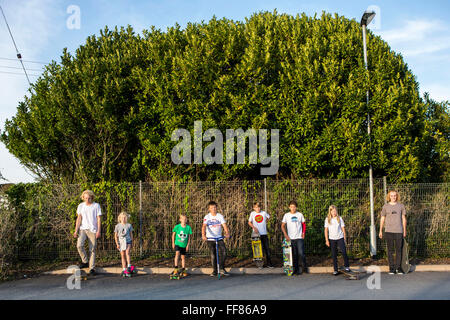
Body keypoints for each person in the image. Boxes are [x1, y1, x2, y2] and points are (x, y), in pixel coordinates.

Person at [73, 190, 102, 275]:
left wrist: (98, 231)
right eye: (85, 198)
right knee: (79, 245)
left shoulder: (96, 205)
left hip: (93, 230)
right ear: (83, 198)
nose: (87, 200)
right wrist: (76, 230)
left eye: (89, 198)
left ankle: (92, 268)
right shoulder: (81, 206)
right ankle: (85, 261)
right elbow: (79, 218)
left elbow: (99, 219)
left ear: (92, 198)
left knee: (92, 249)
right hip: (83, 229)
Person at [379, 190, 407, 274]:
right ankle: (391, 268)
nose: (393, 197)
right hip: (388, 231)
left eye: (395, 195)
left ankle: (399, 268)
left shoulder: (401, 206)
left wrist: (404, 230)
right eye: (391, 196)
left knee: (399, 250)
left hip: (399, 231)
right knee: (390, 250)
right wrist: (380, 230)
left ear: (397, 196)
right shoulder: (385, 206)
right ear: (389, 197)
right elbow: (382, 218)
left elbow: (404, 219)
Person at [202, 200, 231, 277]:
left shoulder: (220, 216)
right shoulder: (207, 217)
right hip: (210, 238)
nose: (213, 209)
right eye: (212, 208)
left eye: (214, 207)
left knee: (224, 252)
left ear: (216, 208)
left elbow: (224, 225)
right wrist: (203, 235)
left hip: (219, 238)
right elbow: (204, 226)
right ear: (209, 209)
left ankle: (221, 268)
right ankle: (215, 271)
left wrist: (227, 233)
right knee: (213, 254)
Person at [281, 200, 308, 275]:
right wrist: (286, 235)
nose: (293, 208)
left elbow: (304, 224)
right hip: (291, 238)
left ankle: (304, 267)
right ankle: (296, 270)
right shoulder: (286, 215)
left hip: (299, 237)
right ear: (289, 207)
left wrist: (303, 233)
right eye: (291, 207)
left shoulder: (300, 215)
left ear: (296, 207)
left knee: (301, 253)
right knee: (294, 254)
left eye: (294, 207)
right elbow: (282, 226)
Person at [324, 205, 351, 275]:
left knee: (344, 251)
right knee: (334, 254)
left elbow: (343, 228)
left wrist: (344, 237)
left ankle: (347, 266)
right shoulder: (327, 219)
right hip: (332, 239)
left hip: (340, 237)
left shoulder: (339, 218)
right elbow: (326, 230)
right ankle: (335, 269)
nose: (334, 212)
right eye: (332, 211)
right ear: (330, 212)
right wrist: (326, 240)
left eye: (335, 210)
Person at [248, 202, 274, 268]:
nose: (258, 208)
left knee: (267, 249)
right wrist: (254, 227)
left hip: (264, 233)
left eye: (259, 207)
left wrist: (265, 222)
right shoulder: (252, 214)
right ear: (254, 208)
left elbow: (269, 217)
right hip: (256, 234)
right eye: (256, 207)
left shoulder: (263, 213)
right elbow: (249, 222)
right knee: (258, 250)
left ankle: (269, 264)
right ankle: (260, 264)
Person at [114, 211, 135, 277]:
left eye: (125, 217)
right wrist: (117, 243)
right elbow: (115, 235)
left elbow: (131, 234)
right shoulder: (117, 226)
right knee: (122, 255)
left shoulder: (129, 225)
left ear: (126, 218)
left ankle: (129, 266)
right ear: (120, 218)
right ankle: (124, 269)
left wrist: (131, 241)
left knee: (127, 252)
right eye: (122, 218)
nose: (123, 219)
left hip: (128, 241)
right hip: (121, 242)